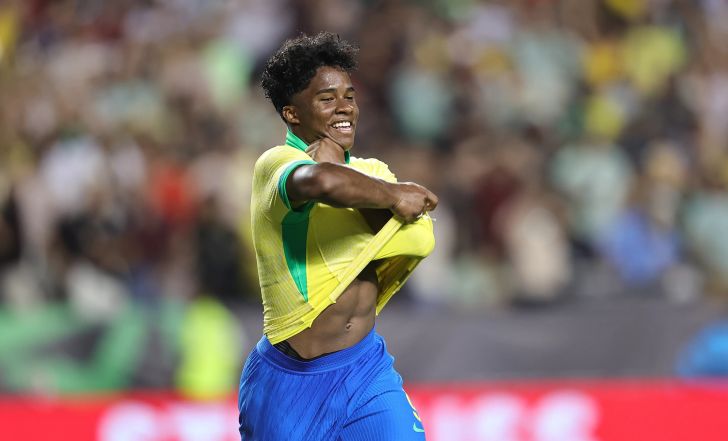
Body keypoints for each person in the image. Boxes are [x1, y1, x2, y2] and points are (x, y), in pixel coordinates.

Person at [237, 32, 438, 440]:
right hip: (288, 383)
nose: (344, 107)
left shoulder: (372, 172)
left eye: (349, 96)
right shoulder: (276, 164)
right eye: (327, 98)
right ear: (292, 113)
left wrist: (364, 185)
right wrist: (392, 197)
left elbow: (420, 238)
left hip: (366, 372)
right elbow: (321, 182)